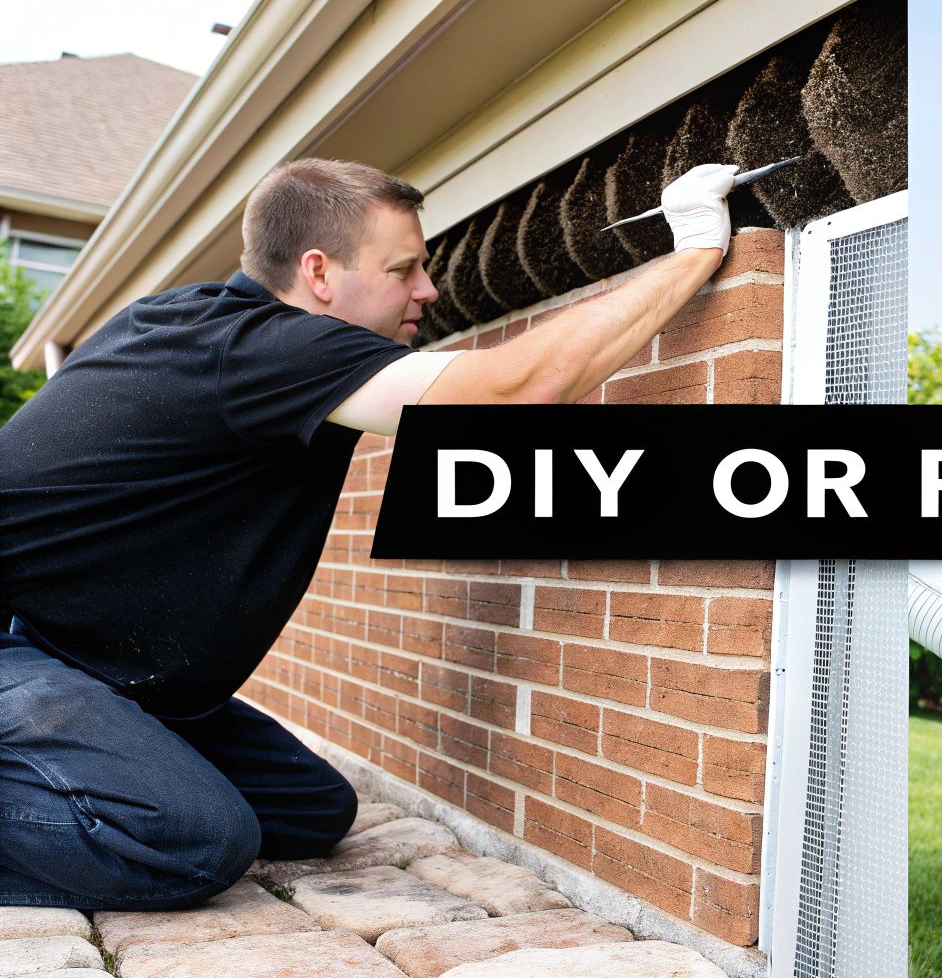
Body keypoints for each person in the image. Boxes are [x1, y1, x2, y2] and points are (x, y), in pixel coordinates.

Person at [0, 157, 737, 909]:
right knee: (195, 843)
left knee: (310, 809)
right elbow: (521, 390)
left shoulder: (211, 330)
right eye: (404, 268)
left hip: (89, 660)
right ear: (319, 273)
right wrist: (696, 251)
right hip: (17, 647)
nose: (428, 290)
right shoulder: (261, 348)